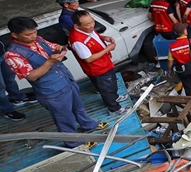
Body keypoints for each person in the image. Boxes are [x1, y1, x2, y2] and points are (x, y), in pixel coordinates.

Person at [5, 16, 107, 148]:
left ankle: (88, 125)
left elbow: (54, 46)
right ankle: (73, 142)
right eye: (28, 34)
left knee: (78, 106)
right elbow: (31, 76)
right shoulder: (12, 55)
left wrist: (60, 49)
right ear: (15, 35)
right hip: (51, 91)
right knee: (64, 118)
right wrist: (50, 61)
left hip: (66, 79)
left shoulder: (38, 39)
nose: (33, 36)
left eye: (35, 32)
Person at [69, 11, 128, 115]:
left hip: (105, 64)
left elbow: (93, 36)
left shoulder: (87, 29)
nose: (92, 25)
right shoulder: (77, 41)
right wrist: (108, 48)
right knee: (107, 89)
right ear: (77, 25)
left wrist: (103, 38)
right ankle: (114, 109)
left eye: (92, 21)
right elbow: (88, 59)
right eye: (88, 24)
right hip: (98, 69)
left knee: (112, 83)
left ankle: (115, 97)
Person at [0, 41, 33, 121]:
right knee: (0, 86)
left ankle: (17, 97)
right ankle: (8, 110)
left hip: (1, 52)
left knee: (9, 77)